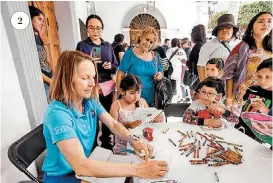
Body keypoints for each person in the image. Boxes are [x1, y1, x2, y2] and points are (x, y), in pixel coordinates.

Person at [42, 51, 168, 182]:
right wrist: (139, 169)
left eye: (93, 77)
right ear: (67, 79)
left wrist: (134, 141)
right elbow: (81, 166)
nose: (92, 83)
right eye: (85, 78)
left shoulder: (90, 101)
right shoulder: (57, 114)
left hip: (84, 167)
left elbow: (113, 124)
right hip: (64, 177)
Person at [76, 14, 118, 150]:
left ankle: (106, 141)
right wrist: (89, 63)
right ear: (87, 29)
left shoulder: (108, 46)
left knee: (105, 113)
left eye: (98, 28)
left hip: (105, 86)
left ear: (102, 29)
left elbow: (116, 65)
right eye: (92, 28)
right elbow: (76, 66)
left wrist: (109, 66)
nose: (95, 31)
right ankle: (91, 144)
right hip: (89, 85)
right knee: (90, 114)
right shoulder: (82, 45)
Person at [223, 12, 272, 108]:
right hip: (242, 97)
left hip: (266, 98)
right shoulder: (242, 47)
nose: (266, 24)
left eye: (269, 21)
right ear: (252, 26)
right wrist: (229, 98)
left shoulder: (271, 48)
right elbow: (229, 74)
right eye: (261, 21)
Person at [110, 74, 163, 155]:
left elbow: (148, 122)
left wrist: (155, 120)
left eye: (138, 92)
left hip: (142, 145)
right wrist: (127, 125)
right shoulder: (116, 105)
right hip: (123, 147)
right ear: (122, 91)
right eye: (132, 93)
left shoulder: (142, 102)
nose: (136, 97)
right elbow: (112, 128)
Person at [116, 27, 163, 107]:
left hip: (152, 99)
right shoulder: (129, 54)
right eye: (147, 39)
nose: (148, 43)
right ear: (141, 37)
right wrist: (122, 93)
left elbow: (161, 72)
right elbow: (120, 75)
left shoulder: (155, 56)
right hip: (132, 99)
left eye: (151, 42)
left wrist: (160, 75)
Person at [197, 14, 240, 82]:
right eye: (221, 28)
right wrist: (205, 86)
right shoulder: (208, 46)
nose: (224, 30)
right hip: (216, 86)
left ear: (233, 29)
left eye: (228, 27)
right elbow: (201, 67)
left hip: (236, 84)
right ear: (217, 30)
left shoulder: (241, 45)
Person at [29, 6, 53, 99]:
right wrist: (50, 81)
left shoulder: (38, 38)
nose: (42, 24)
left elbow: (47, 59)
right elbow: (34, 68)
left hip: (49, 75)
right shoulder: (29, 41)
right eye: (39, 19)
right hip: (43, 80)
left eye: (43, 21)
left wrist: (54, 74)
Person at [166, 38, 187, 103]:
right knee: (178, 83)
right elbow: (184, 62)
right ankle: (179, 98)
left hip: (170, 69)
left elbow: (166, 60)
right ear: (178, 43)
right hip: (178, 70)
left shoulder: (169, 50)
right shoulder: (181, 50)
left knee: (172, 83)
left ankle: (173, 98)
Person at [188, 24, 207, 90]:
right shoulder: (203, 45)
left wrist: (187, 63)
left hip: (196, 78)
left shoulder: (198, 47)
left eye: (192, 33)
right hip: (200, 77)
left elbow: (197, 64)